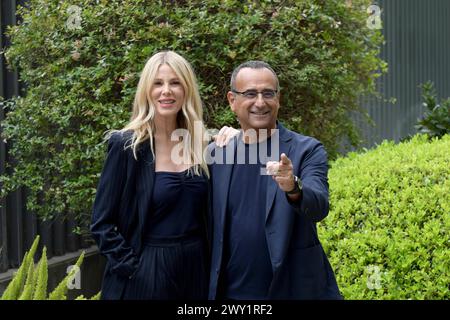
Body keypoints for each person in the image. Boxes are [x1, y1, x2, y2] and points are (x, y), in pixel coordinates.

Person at [207, 60, 342, 300]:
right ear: (232, 100)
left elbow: (319, 206)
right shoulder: (217, 154)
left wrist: (293, 187)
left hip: (293, 290)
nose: (260, 102)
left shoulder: (306, 150)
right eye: (250, 94)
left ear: (278, 98)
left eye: (268, 93)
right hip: (231, 296)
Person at [90, 51, 212, 300]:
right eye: (158, 83)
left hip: (197, 269)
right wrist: (133, 268)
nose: (166, 90)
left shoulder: (202, 144)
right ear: (147, 90)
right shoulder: (126, 146)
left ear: (187, 89)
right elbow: (102, 224)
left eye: (175, 82)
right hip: (146, 272)